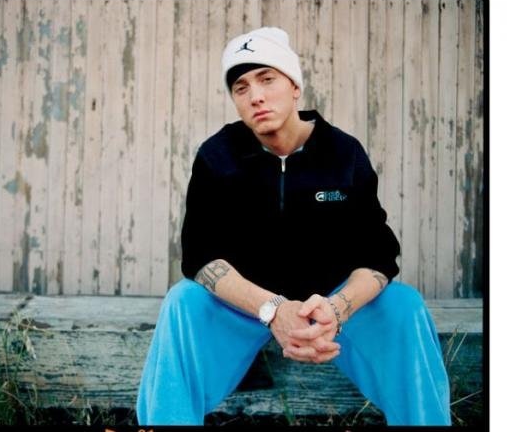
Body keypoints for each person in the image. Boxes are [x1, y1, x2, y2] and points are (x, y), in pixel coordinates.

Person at [136, 26, 451, 426]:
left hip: (331, 303)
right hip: (246, 307)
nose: (256, 95)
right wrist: (273, 310)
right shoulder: (218, 156)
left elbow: (378, 256)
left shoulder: (343, 153)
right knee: (183, 302)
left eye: (267, 79)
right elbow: (200, 255)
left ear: (295, 87)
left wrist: (337, 308)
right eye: (241, 87)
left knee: (404, 306)